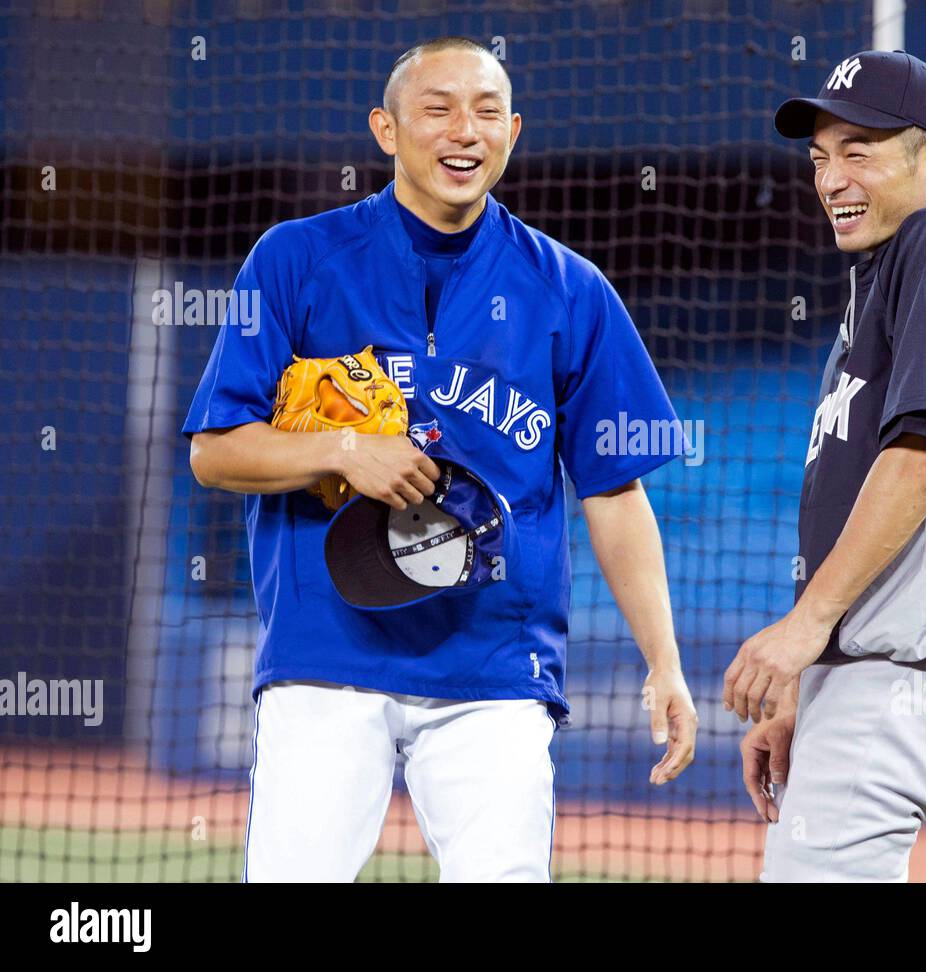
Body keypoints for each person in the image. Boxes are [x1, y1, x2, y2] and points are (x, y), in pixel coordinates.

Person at [184, 36, 697, 882]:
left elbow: (615, 493)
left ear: (514, 132)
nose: (466, 130)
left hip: (495, 662)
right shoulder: (294, 260)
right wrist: (344, 447)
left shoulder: (570, 290)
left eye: (488, 111)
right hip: (328, 653)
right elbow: (215, 452)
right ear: (386, 130)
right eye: (438, 108)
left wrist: (666, 663)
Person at [723, 50, 926, 882]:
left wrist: (801, 637)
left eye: (859, 151)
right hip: (868, 672)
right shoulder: (889, 267)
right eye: (818, 157)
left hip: (904, 673)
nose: (831, 178)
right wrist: (814, 676)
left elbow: (918, 456)